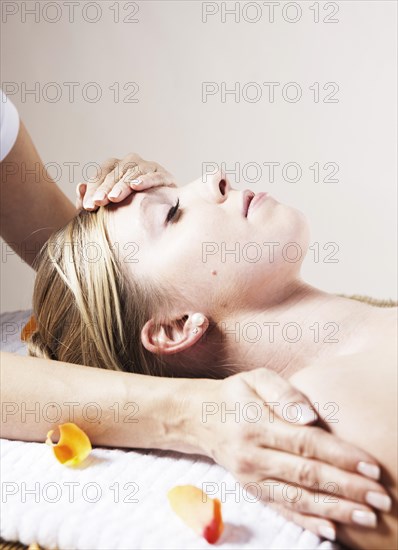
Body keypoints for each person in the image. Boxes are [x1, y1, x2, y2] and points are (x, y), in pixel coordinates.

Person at [0, 91, 392, 546]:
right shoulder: (324, 413)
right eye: (171, 213)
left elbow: (95, 281)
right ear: (174, 326)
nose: (214, 179)